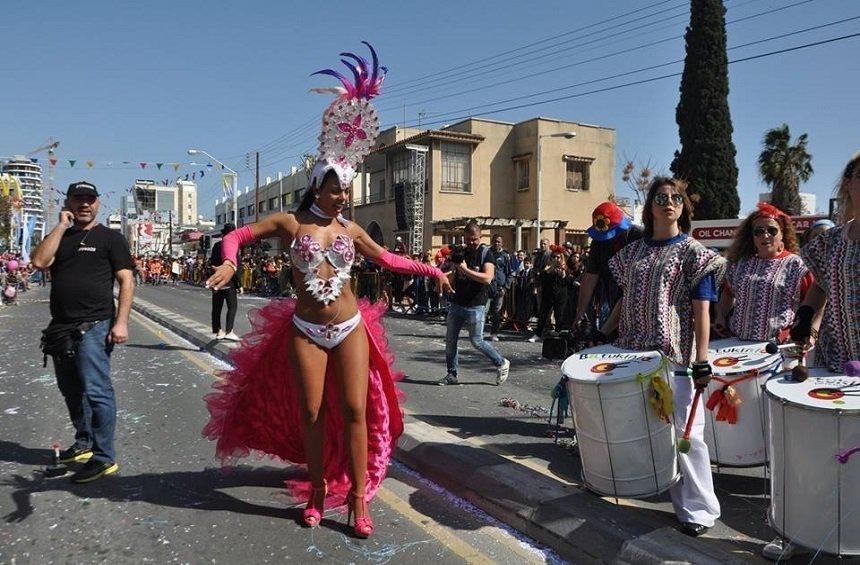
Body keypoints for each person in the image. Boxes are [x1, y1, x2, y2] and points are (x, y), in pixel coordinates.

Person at [201, 43, 452, 539]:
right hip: (306, 330)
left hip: (350, 328)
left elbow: (390, 260)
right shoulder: (291, 223)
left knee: (356, 410)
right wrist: (229, 261)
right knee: (312, 412)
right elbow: (235, 235)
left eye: (346, 190)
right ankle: (317, 492)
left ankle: (357, 500)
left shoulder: (352, 230)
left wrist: (432, 271)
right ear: (317, 187)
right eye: (336, 189)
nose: (343, 197)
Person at [598, 177, 725, 537]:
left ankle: (699, 509)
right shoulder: (631, 254)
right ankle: (658, 495)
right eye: (660, 197)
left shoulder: (695, 253)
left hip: (677, 357)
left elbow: (703, 309)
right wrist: (603, 332)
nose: (668, 202)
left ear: (683, 207)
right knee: (648, 429)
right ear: (650, 206)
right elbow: (626, 299)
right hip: (634, 353)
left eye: (675, 198)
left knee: (688, 434)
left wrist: (702, 358)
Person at [761, 154, 860, 561]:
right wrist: (805, 318)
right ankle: (804, 534)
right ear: (849, 184)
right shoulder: (833, 240)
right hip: (835, 363)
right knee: (824, 454)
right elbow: (818, 285)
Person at [31, 181, 135, 483]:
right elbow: (39, 261)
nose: (84, 204)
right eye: (78, 199)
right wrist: (61, 227)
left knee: (97, 391)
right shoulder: (60, 236)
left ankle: (104, 458)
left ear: (98, 204)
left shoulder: (111, 239)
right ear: (69, 203)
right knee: (71, 390)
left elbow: (126, 281)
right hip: (61, 328)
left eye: (90, 199)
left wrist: (121, 322)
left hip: (96, 326)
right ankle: (85, 441)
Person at [714, 203, 812, 342]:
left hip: (779, 345)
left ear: (782, 234)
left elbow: (811, 301)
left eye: (772, 230)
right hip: (737, 342)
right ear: (752, 237)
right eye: (758, 231)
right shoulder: (740, 264)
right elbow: (728, 293)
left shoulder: (796, 265)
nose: (765, 235)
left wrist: (802, 331)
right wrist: (721, 316)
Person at [439, 221, 510, 385]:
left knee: (477, 341)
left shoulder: (486, 253)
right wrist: (444, 275)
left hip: (476, 305)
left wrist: (464, 269)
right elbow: (454, 272)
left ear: (480, 237)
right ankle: (452, 374)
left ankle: (501, 362)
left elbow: (487, 277)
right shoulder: (461, 252)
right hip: (458, 303)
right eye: (468, 239)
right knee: (450, 340)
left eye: (475, 239)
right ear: (464, 237)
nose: (471, 242)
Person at [573, 201, 643, 333]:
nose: (608, 239)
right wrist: (580, 312)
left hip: (640, 308)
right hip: (612, 304)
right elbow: (589, 278)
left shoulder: (640, 237)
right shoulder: (598, 243)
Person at [529, 245, 574, 341]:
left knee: (559, 315)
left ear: (561, 258)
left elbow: (569, 282)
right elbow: (542, 278)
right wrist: (549, 270)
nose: (556, 259)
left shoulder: (565, 268)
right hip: (548, 295)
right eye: (554, 257)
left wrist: (563, 276)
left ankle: (558, 333)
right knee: (543, 315)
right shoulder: (547, 268)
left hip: (561, 296)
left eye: (558, 257)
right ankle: (537, 334)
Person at [210, 223, 240, 341]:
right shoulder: (233, 245)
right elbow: (236, 266)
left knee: (216, 307)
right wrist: (240, 284)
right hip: (229, 281)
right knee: (232, 306)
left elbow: (211, 262)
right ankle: (229, 331)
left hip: (217, 279)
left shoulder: (216, 246)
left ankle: (218, 331)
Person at [488, 234, 513, 341]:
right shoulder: (488, 253)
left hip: (500, 288)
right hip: (488, 286)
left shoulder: (505, 256)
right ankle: (478, 332)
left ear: (502, 243)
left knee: (497, 312)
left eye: (499, 241)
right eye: (495, 241)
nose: (496, 243)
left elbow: (510, 273)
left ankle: (494, 333)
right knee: (483, 310)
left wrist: (506, 287)